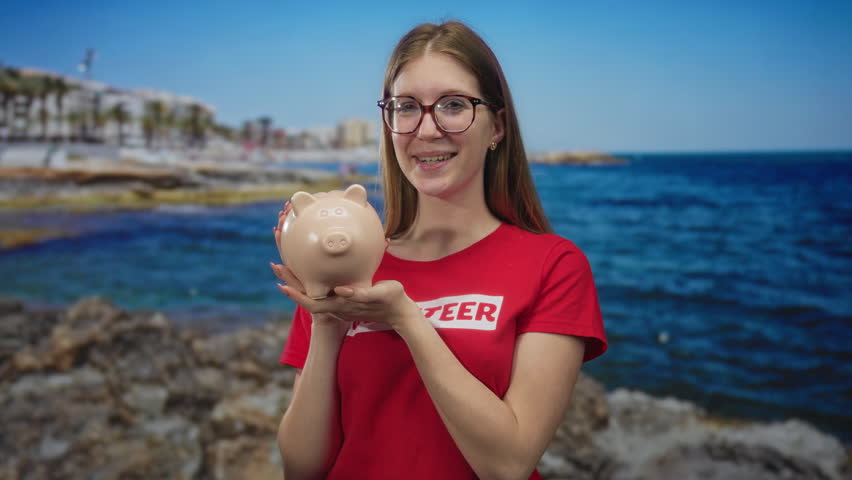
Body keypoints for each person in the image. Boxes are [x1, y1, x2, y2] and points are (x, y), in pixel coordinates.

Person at [270, 21, 607, 480]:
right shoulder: (348, 263)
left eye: (453, 105)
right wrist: (328, 322)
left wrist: (407, 320)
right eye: (406, 107)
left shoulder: (554, 266)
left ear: (497, 127)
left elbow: (507, 464)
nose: (426, 130)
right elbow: (302, 468)